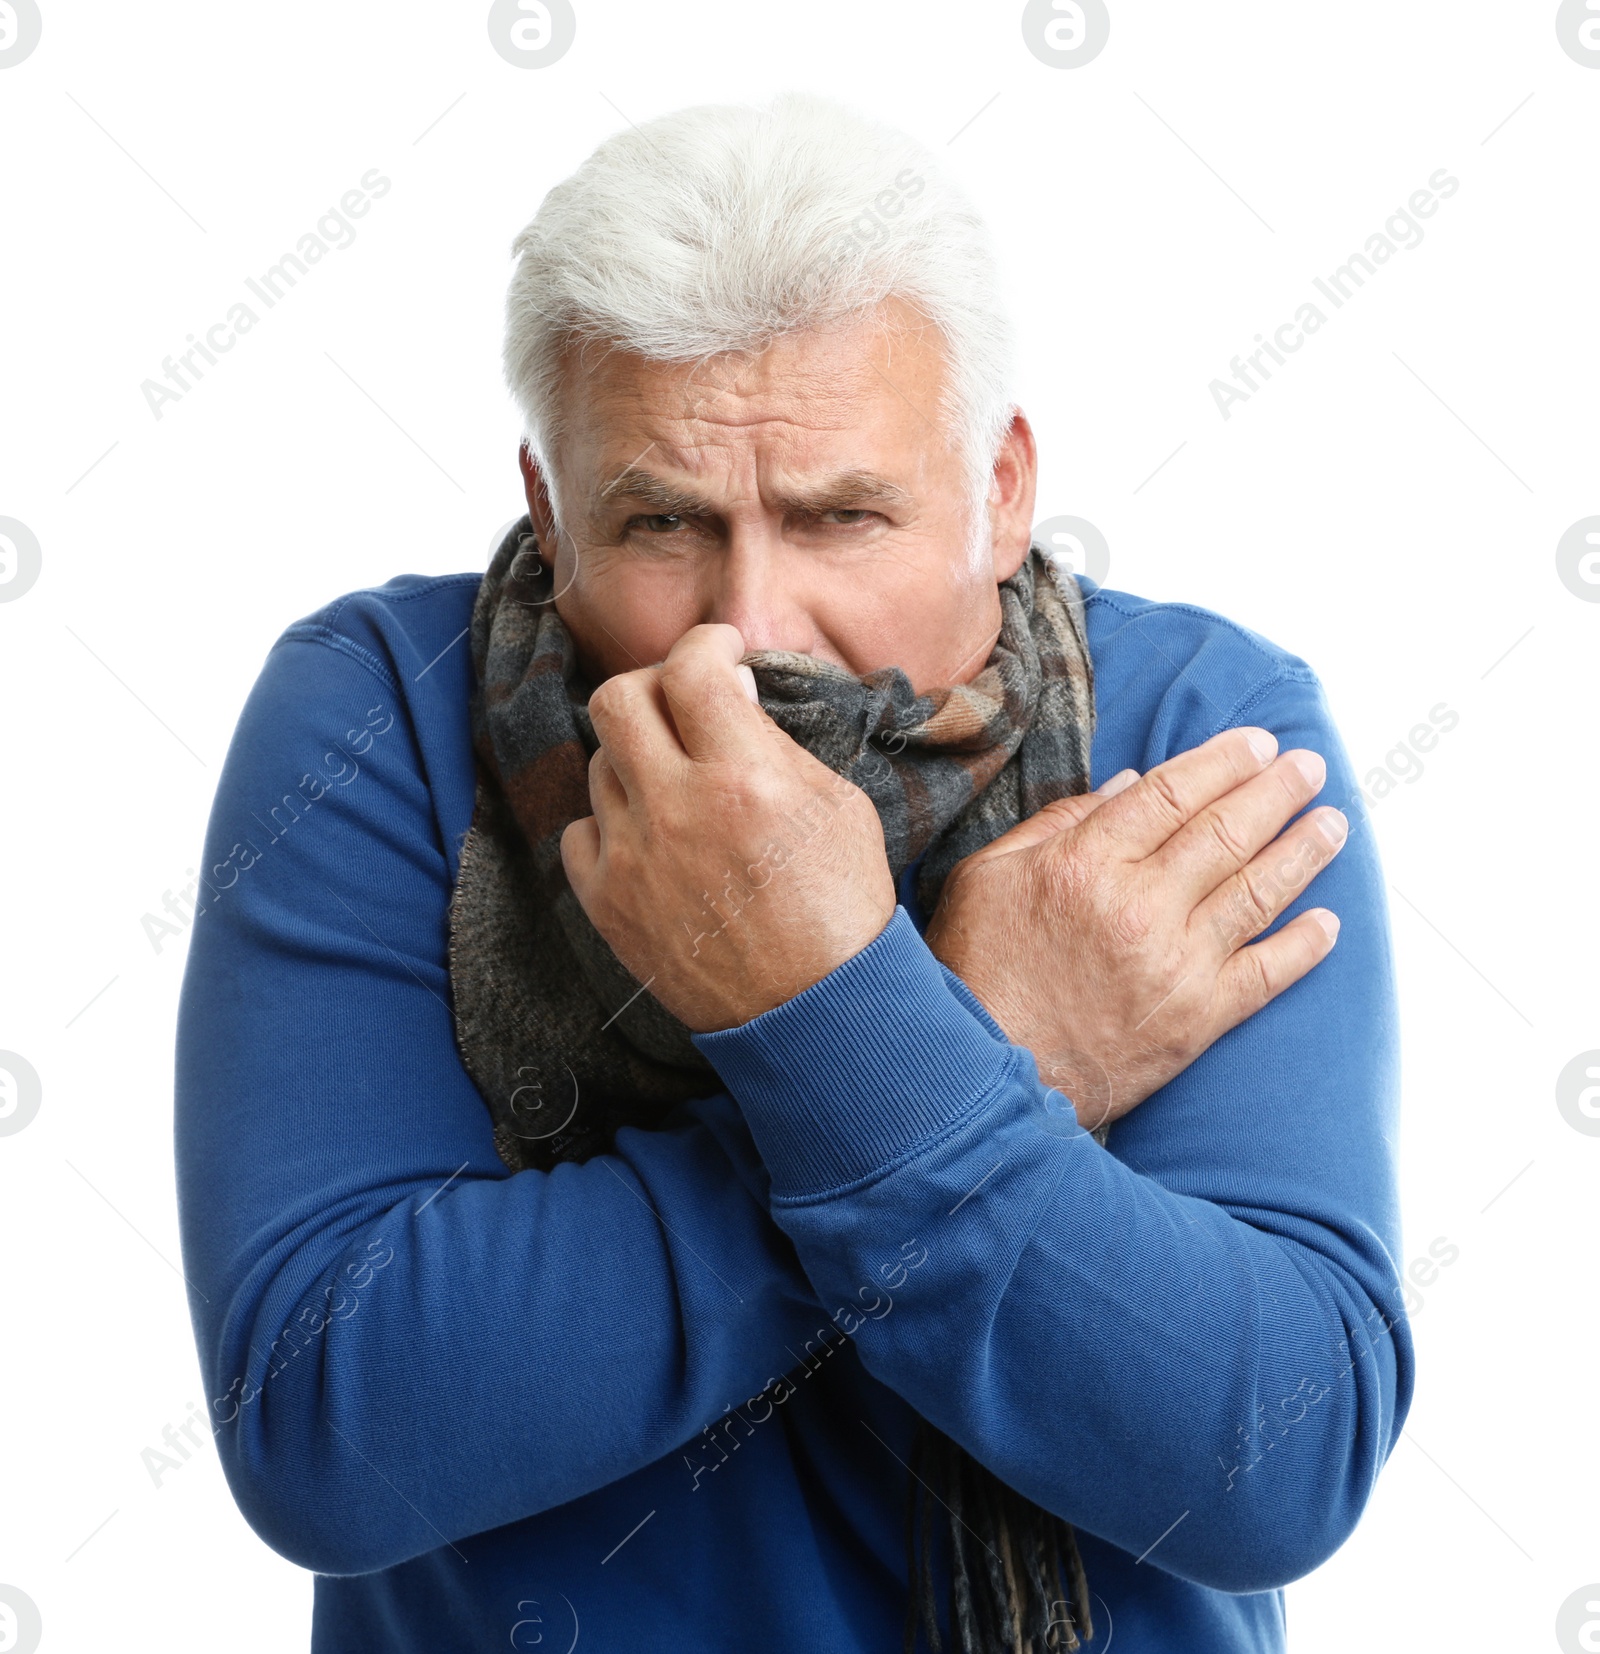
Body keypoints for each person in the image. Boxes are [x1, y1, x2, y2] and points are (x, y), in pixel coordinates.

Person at [175, 93, 1412, 1653]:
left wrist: (824, 1018)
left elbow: (1272, 1458)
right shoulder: (377, 716)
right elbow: (325, 1425)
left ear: (1004, 487)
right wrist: (963, 1028)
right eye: (662, 521)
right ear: (550, 512)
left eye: (842, 516)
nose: (749, 629)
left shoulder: (1197, 731)